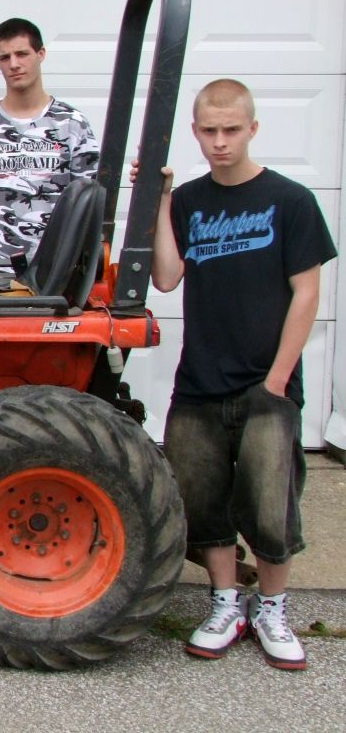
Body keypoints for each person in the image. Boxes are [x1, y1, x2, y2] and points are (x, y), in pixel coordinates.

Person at [145, 79, 336, 670]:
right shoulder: (191, 201)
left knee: (271, 504)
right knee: (203, 501)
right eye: (208, 131)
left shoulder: (291, 200)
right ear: (197, 131)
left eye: (231, 130)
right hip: (200, 381)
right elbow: (167, 277)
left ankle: (272, 607)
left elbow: (307, 293)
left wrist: (278, 380)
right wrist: (160, 199)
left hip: (265, 384)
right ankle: (225, 602)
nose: (219, 142)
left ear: (252, 129)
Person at [0, 18, 99, 271]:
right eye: (5, 57)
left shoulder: (73, 125)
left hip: (53, 277)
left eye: (22, 54)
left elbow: (89, 206)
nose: (14, 64)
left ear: (40, 54)